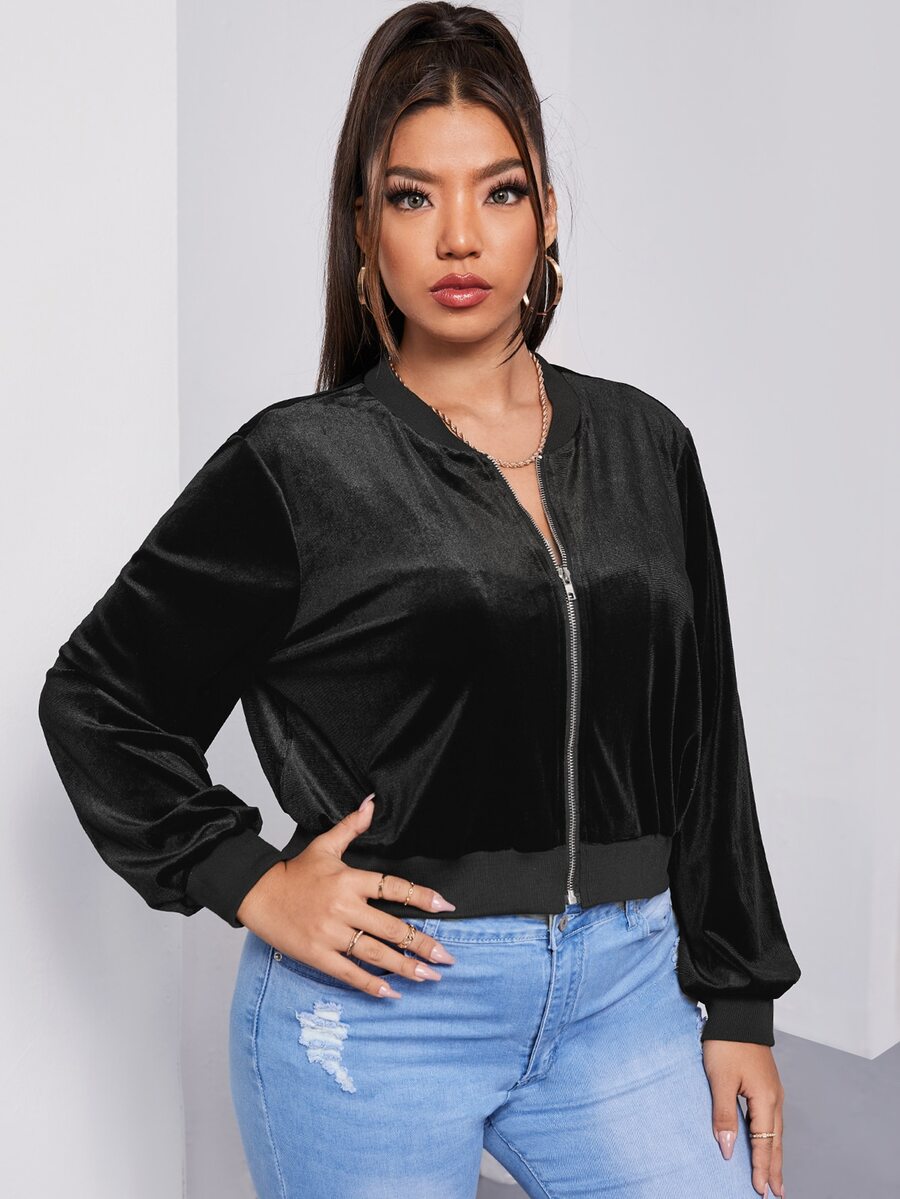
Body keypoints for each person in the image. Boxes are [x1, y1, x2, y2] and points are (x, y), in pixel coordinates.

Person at [37, 3, 801, 1197]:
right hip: (381, 1006)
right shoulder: (302, 464)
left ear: (548, 212)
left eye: (499, 191)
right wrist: (247, 876)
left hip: (623, 991)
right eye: (411, 196)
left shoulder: (647, 444)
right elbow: (97, 696)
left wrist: (739, 996)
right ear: (365, 226)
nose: (458, 235)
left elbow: (705, 730)